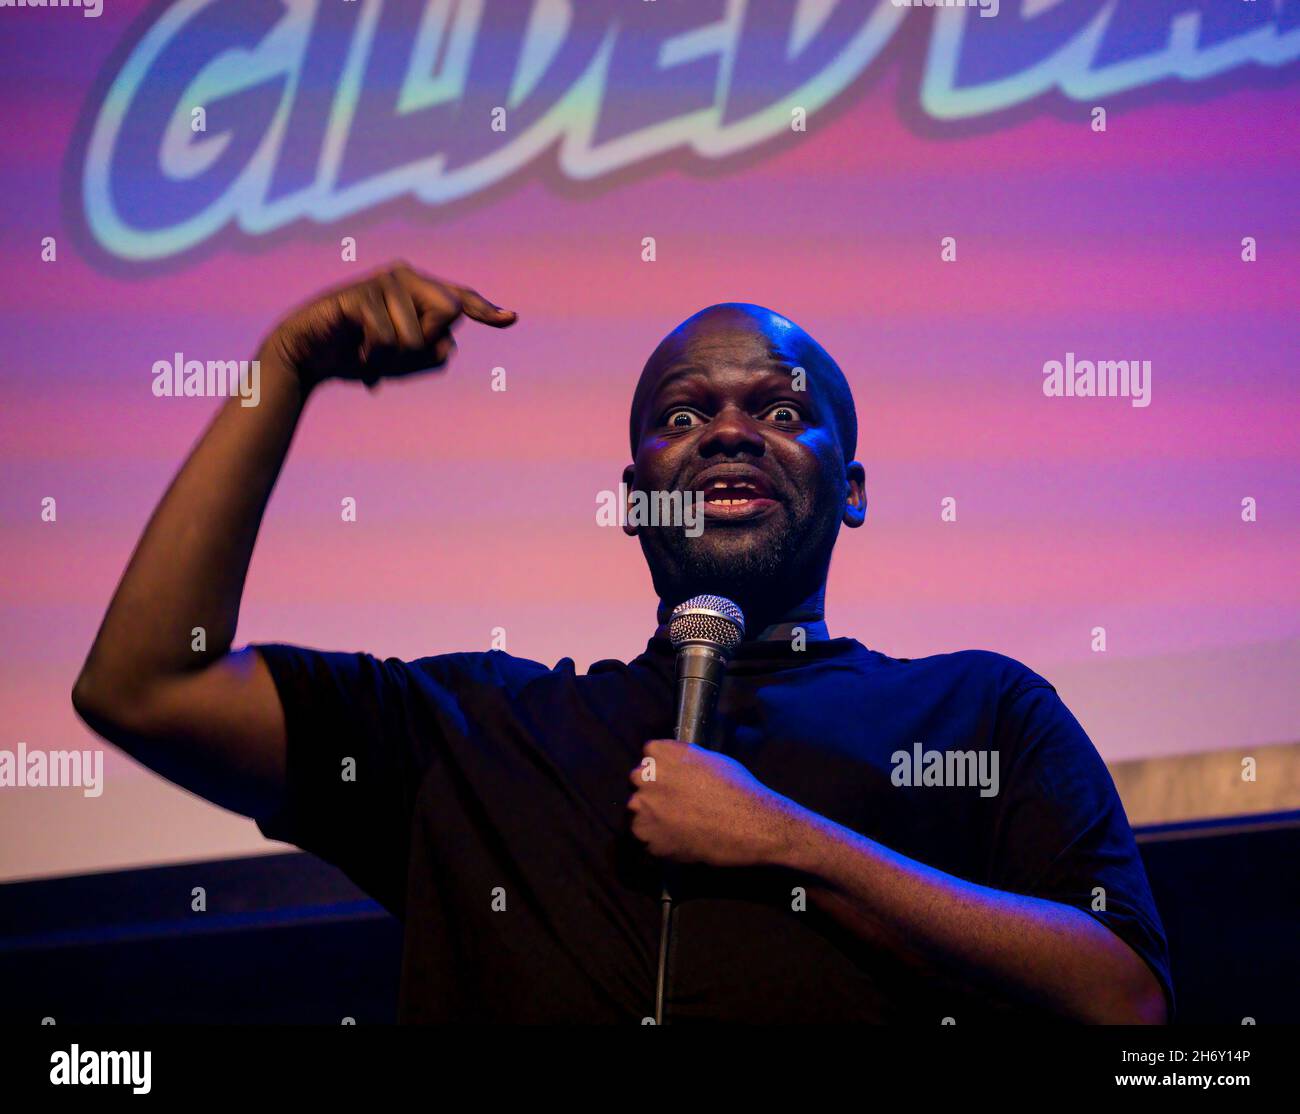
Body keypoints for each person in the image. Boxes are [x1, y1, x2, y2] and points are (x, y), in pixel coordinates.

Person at [73, 263, 1172, 1024]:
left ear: (854, 490)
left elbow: (1121, 997)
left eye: (783, 412)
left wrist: (789, 839)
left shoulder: (980, 712)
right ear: (631, 497)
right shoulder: (476, 735)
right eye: (684, 414)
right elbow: (143, 686)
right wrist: (289, 362)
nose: (731, 429)